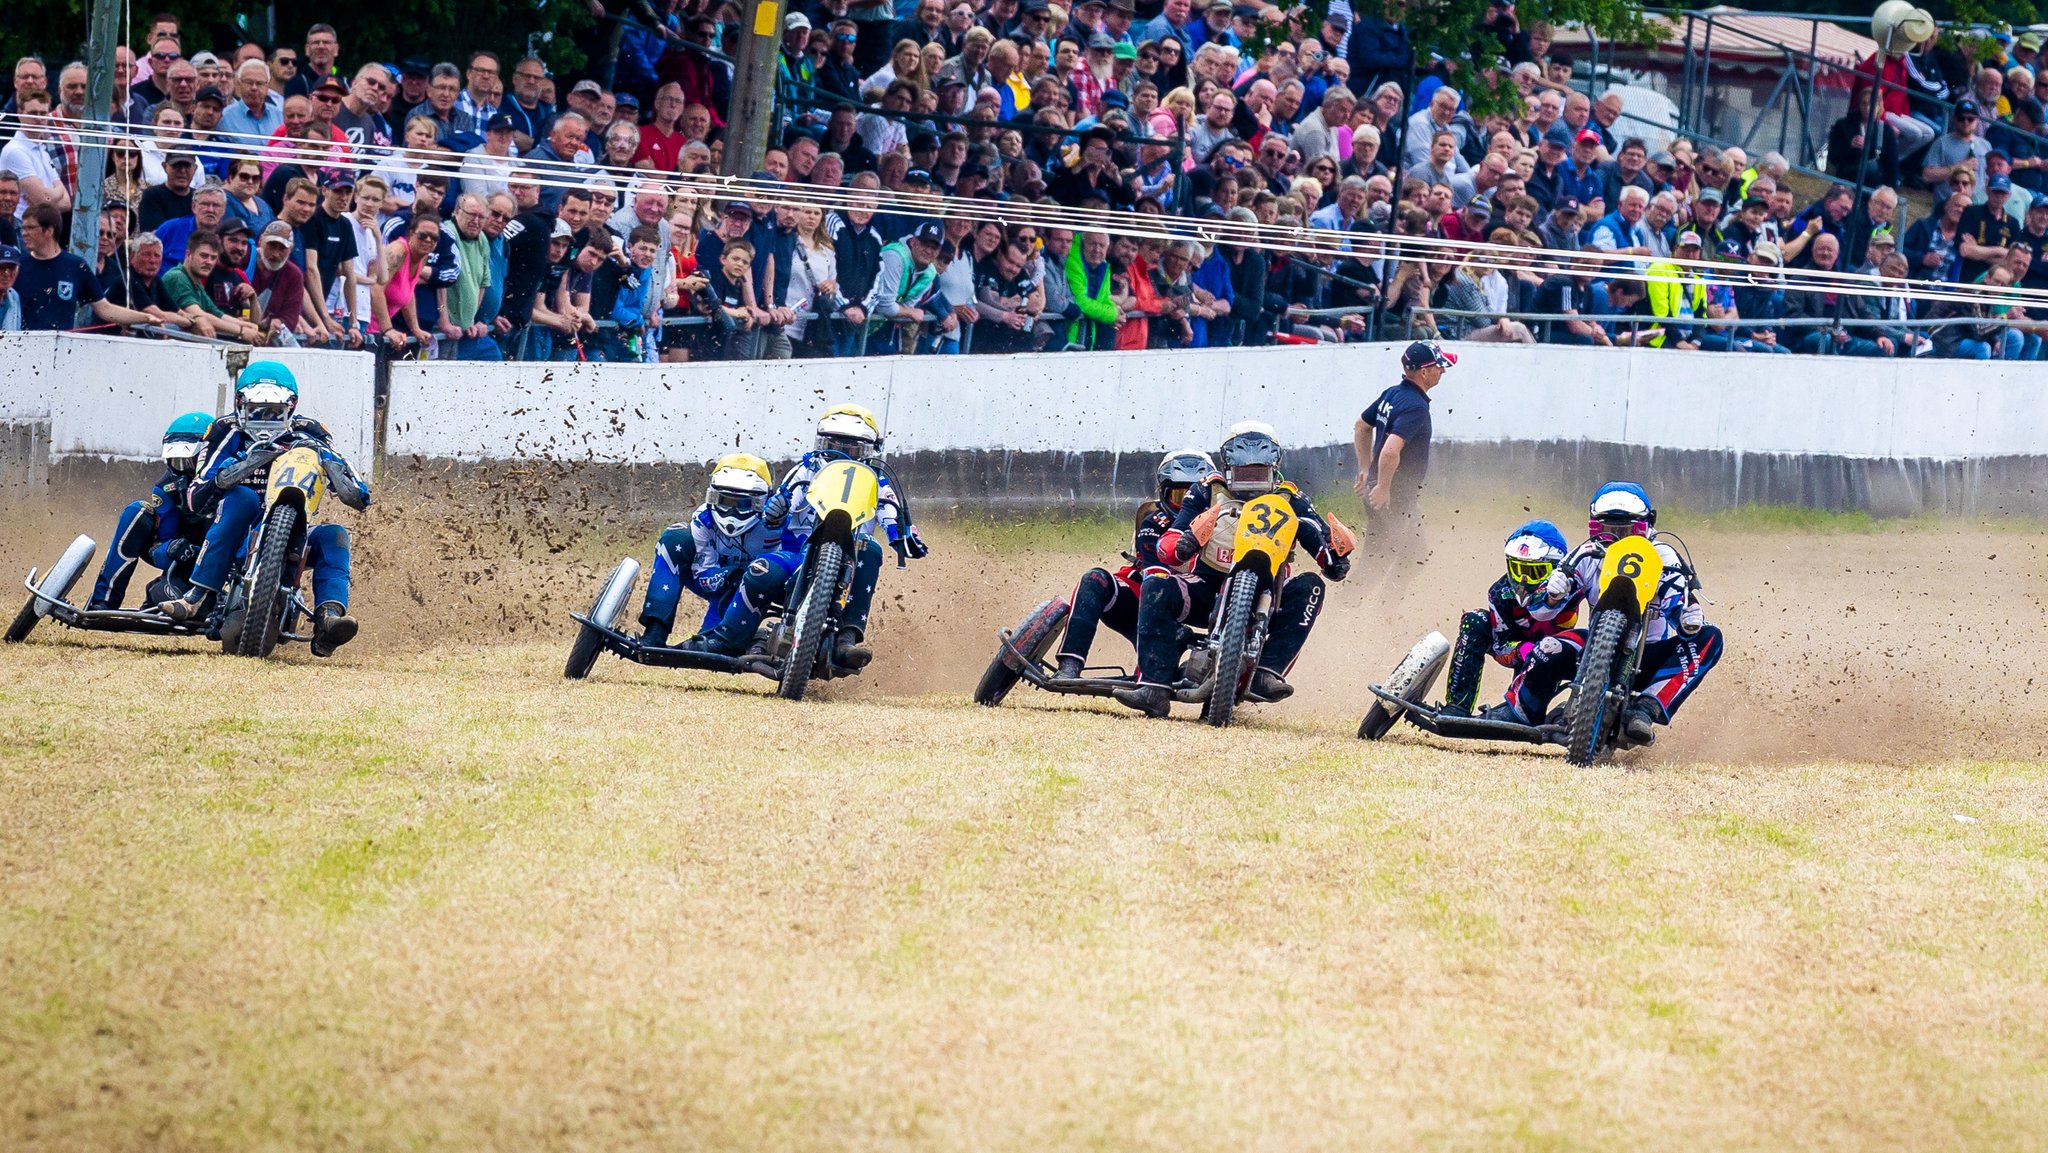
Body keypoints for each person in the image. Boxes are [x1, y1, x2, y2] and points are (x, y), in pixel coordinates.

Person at [1111, 421, 1353, 718]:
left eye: (1258, 471)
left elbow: (1325, 554)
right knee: (1157, 582)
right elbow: (1170, 540)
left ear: (1274, 465)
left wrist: (1337, 557)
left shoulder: (1293, 498)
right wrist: (1183, 544)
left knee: (1312, 585)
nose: (1250, 477)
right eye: (1243, 470)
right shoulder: (1207, 489)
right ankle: (1154, 686)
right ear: (1227, 463)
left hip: (1270, 593)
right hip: (1207, 586)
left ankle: (1268, 671)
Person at [681, 404, 927, 665]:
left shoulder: (877, 479)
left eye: (850, 448)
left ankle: (846, 639)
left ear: (868, 450)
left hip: (852, 556)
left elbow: (891, 511)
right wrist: (777, 509)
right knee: (760, 570)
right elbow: (782, 501)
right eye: (832, 444)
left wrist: (902, 536)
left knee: (871, 547)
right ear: (820, 442)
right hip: (795, 555)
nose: (840, 453)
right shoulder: (805, 470)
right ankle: (727, 638)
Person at [160, 362, 371, 658]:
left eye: (273, 410)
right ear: (240, 404)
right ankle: (198, 594)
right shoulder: (224, 430)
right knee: (242, 499)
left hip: (288, 525)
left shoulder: (310, 431)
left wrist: (345, 481)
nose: (265, 418)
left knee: (335, 535)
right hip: (228, 528)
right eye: (257, 409)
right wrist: (238, 467)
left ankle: (329, 617)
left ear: (291, 406)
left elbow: (357, 491)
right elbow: (195, 496)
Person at [1487, 483, 1722, 744]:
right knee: (1548, 647)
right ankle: (1519, 712)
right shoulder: (1585, 555)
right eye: (1606, 530)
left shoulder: (1665, 556)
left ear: (1648, 525)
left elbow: (1680, 607)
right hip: (1594, 645)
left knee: (1710, 637)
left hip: (1654, 654)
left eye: (1628, 531)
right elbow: (1542, 612)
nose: (1617, 539)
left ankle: (1646, 708)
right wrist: (1552, 594)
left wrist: (1687, 617)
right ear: (1593, 526)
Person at [1051, 449, 1213, 679]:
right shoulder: (1154, 523)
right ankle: (1069, 666)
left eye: (1193, 498)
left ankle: (1155, 678)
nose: (1186, 507)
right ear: (1163, 495)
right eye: (1179, 498)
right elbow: (1155, 577)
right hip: (1144, 601)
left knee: (1150, 677)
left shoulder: (1224, 528)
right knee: (1094, 579)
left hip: (1194, 606)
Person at [1438, 520, 1586, 719]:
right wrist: (1524, 651)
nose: (1523, 580)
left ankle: (1571, 713)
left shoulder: (1572, 588)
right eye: (1518, 570)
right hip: (1517, 648)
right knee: (1474, 620)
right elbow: (1500, 647)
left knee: (1570, 649)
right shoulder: (1499, 592)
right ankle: (1457, 706)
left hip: (1555, 656)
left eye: (1534, 572)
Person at [636, 453, 777, 648]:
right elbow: (703, 575)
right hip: (719, 581)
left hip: (763, 588)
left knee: (710, 645)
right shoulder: (703, 519)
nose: (731, 512)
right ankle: (654, 632)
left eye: (742, 504)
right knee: (674, 538)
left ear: (761, 501)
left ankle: (755, 637)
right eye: (724, 500)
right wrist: (730, 575)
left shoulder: (778, 525)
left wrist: (748, 578)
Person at [85, 412, 217, 611]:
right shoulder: (166, 488)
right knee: (136, 512)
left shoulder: (231, 483)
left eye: (190, 460)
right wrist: (173, 548)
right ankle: (103, 601)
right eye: (177, 461)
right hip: (183, 563)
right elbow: (161, 550)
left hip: (224, 568)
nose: (184, 469)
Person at [1355, 338, 1449, 558]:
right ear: (1424, 372)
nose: (1443, 370)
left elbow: (1361, 426)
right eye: (1438, 366)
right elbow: (1390, 451)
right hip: (1392, 496)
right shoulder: (1416, 407)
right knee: (1389, 561)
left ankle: (1370, 593)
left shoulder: (1392, 393)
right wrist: (1383, 487)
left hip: (1386, 492)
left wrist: (1365, 470)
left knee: (1410, 557)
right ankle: (1354, 594)